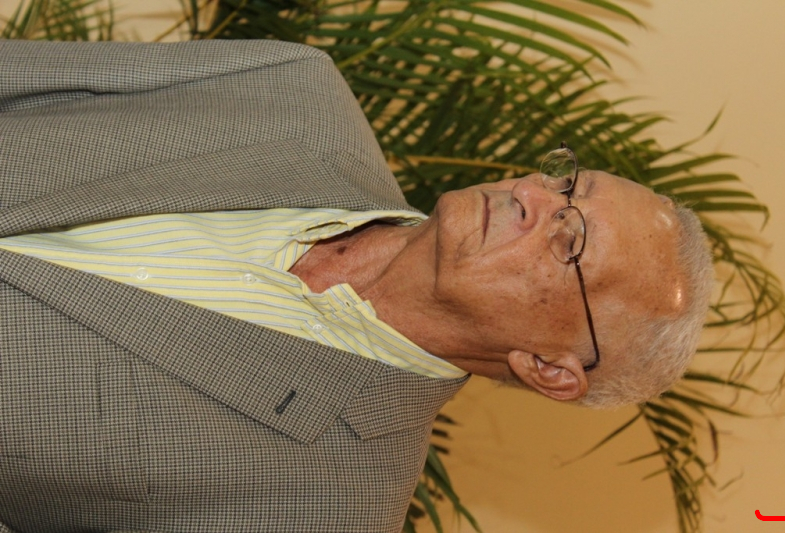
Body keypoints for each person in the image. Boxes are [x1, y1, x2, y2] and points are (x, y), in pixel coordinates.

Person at [0, 39, 713, 533]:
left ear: (549, 367)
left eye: (570, 241)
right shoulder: (292, 92)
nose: (530, 194)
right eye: (565, 185)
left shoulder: (326, 507)